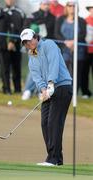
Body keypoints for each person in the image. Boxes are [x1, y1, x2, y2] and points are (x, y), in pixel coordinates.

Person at [20, 28, 72, 166]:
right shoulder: (32, 57)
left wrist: (50, 84)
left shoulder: (49, 44)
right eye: (25, 42)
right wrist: (43, 90)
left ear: (36, 37)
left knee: (54, 123)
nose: (28, 44)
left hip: (62, 87)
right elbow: (36, 77)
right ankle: (55, 158)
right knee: (45, 123)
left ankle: (53, 159)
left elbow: (54, 64)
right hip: (48, 91)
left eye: (29, 40)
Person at [22, 0, 56, 100]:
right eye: (44, 4)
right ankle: (28, 90)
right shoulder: (33, 16)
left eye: (48, 4)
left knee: (44, 70)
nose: (46, 6)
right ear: (40, 4)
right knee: (35, 69)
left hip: (46, 47)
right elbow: (25, 29)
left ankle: (40, 91)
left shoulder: (52, 18)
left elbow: (53, 34)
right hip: (34, 46)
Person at [55, 0, 86, 93]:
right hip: (63, 50)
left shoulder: (81, 20)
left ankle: (74, 93)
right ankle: (62, 91)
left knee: (76, 72)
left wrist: (74, 42)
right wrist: (66, 42)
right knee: (63, 72)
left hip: (78, 50)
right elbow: (56, 34)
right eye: (70, 6)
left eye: (74, 6)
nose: (72, 8)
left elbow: (83, 34)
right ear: (66, 7)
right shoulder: (60, 19)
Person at [3, 0, 25, 94]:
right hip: (4, 45)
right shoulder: (1, 12)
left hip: (16, 45)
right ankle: (6, 89)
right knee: (5, 68)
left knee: (16, 68)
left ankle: (17, 89)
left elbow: (22, 29)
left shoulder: (20, 13)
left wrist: (14, 41)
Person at [82, 2, 93, 99]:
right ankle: (85, 92)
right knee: (84, 72)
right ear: (89, 10)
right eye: (92, 8)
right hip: (86, 51)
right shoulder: (85, 21)